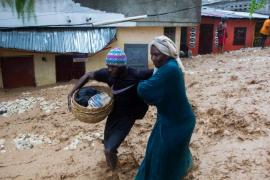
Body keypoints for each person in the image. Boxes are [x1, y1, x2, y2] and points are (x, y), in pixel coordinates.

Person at [67, 48, 153, 170]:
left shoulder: (136, 74)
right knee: (107, 146)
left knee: (109, 150)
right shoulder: (107, 74)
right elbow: (88, 75)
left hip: (128, 116)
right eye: (108, 66)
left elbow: (158, 72)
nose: (109, 69)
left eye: (113, 67)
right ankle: (113, 166)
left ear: (123, 66)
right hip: (113, 113)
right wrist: (71, 93)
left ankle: (114, 173)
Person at [135, 36, 196, 180]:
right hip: (169, 119)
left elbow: (144, 89)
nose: (154, 59)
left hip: (178, 123)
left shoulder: (169, 69)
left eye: (157, 54)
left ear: (166, 54)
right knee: (155, 151)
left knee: (162, 158)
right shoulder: (170, 66)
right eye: (152, 55)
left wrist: (139, 84)